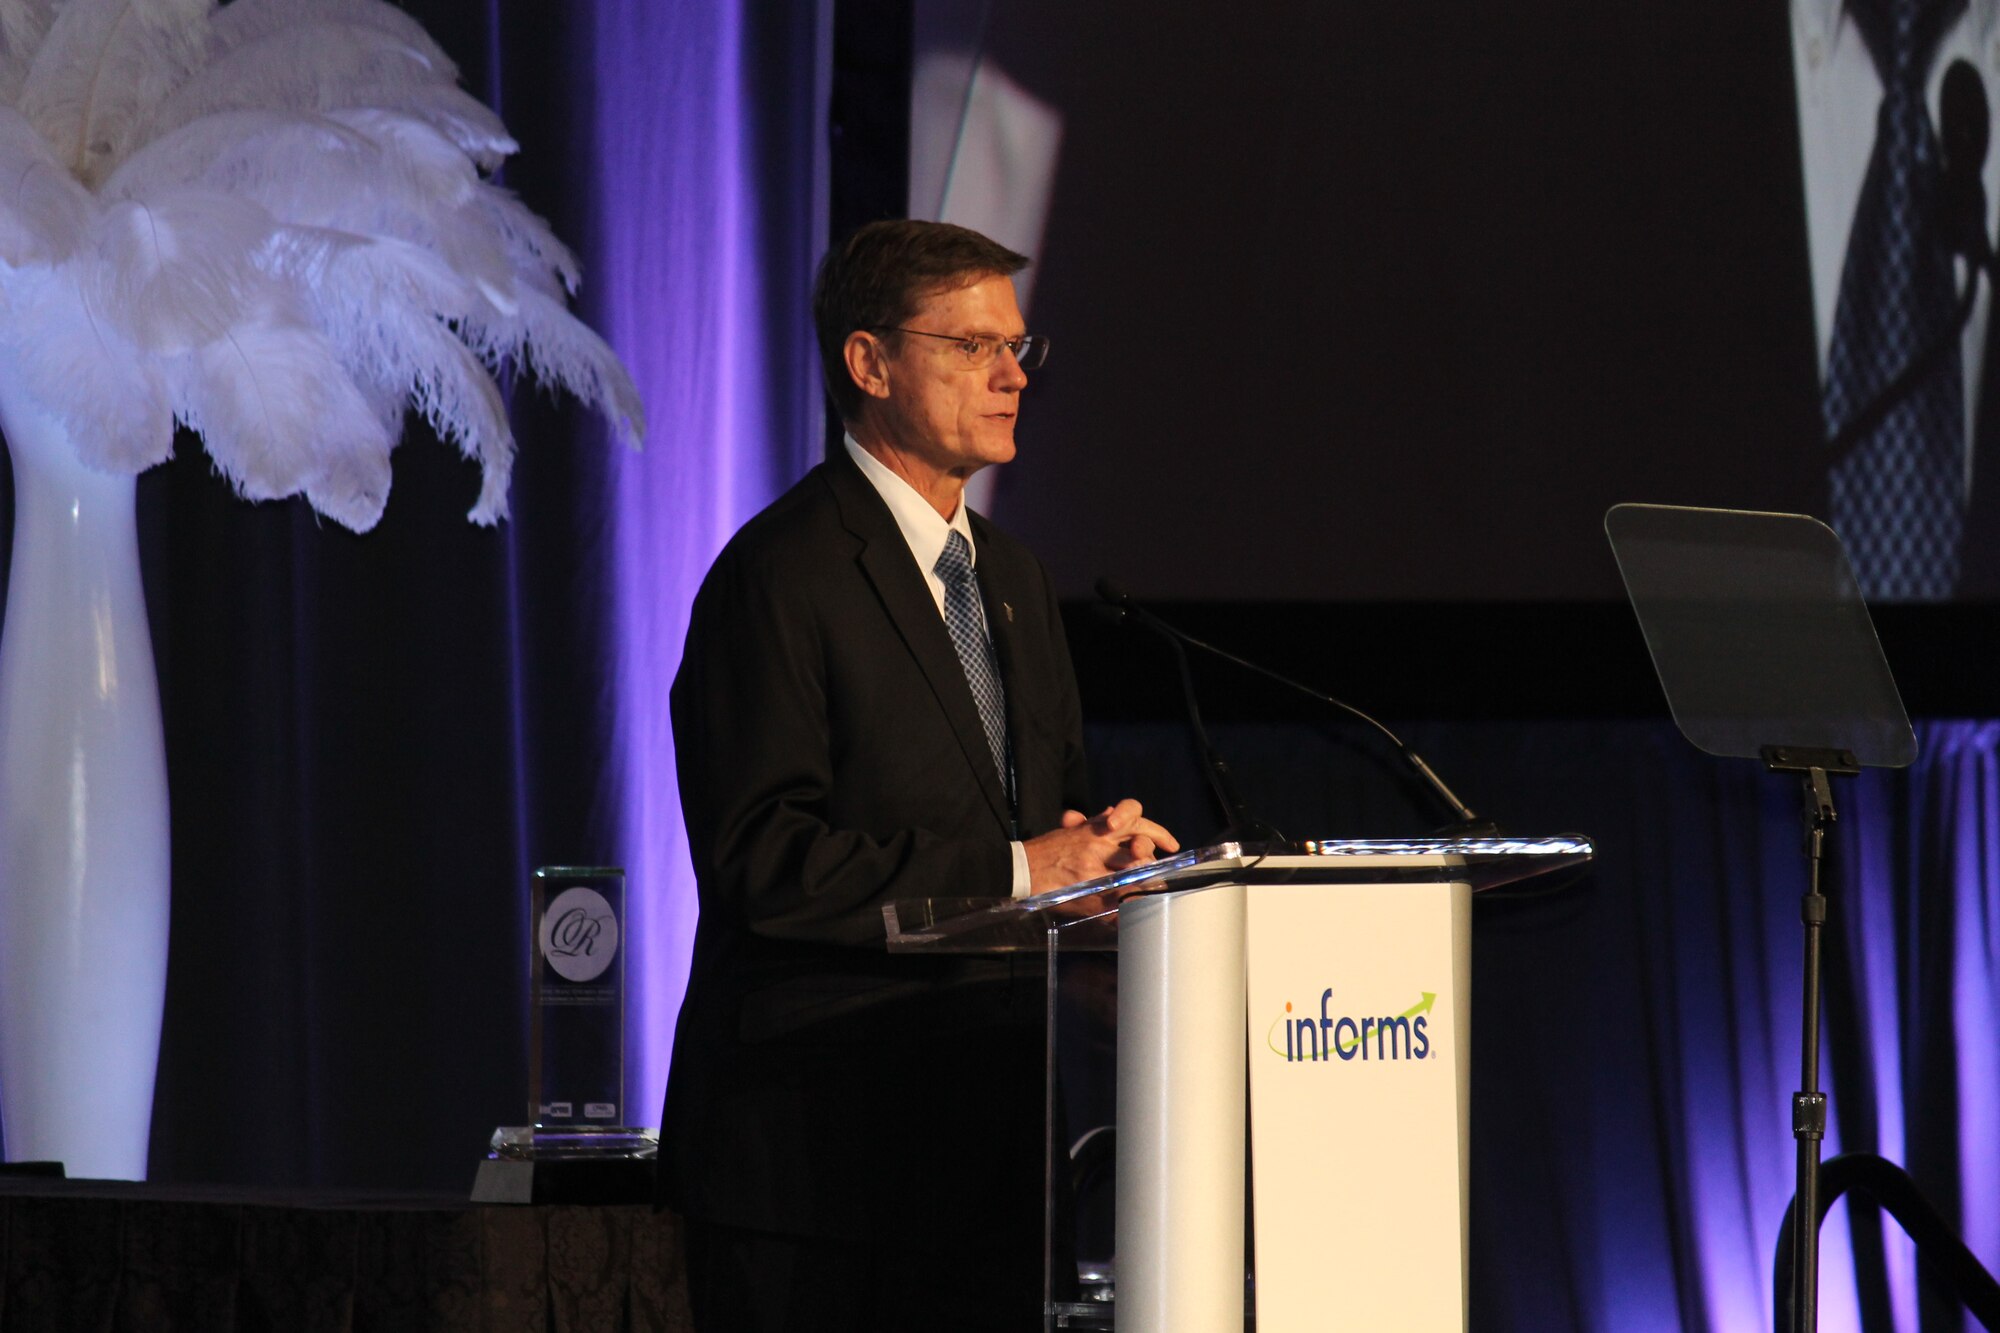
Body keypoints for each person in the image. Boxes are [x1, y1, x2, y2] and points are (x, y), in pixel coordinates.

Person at [659, 218, 1178, 1331]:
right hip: (820, 1171)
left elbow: (1042, 821)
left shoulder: (1014, 583)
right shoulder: (776, 576)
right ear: (868, 361)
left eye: (1020, 350)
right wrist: (1018, 867)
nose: (1010, 376)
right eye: (973, 346)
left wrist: (1102, 871)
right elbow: (763, 861)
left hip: (992, 1160)